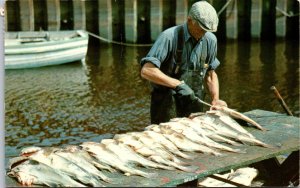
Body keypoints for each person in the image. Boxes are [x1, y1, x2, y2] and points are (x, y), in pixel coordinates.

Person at [140, 1, 227, 124]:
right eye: (201, 29)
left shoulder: (210, 40)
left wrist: (215, 99)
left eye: (206, 31)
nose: (203, 34)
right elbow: (147, 71)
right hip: (167, 104)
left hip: (194, 102)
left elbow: (210, 74)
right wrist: (177, 84)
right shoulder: (169, 37)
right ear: (189, 20)